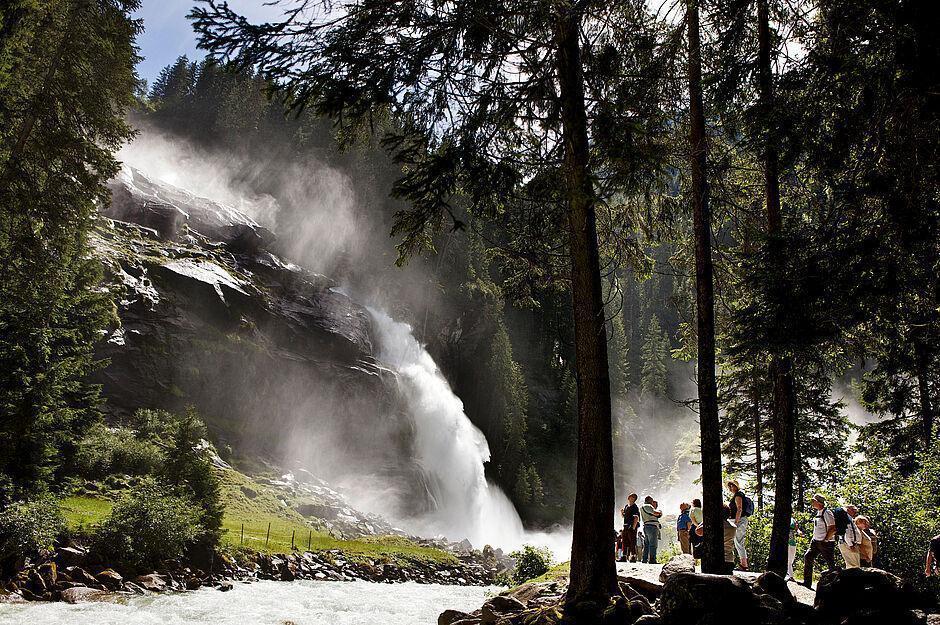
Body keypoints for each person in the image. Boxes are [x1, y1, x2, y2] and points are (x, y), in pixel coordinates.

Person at [803, 494, 837, 589]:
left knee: (830, 563)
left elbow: (833, 528)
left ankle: (835, 584)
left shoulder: (827, 512)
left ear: (818, 502)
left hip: (826, 543)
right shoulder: (819, 512)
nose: (812, 503)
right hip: (815, 542)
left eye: (813, 501)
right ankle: (807, 583)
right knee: (808, 557)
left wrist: (826, 539)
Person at [693, 504, 736, 574]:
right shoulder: (733, 527)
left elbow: (698, 531)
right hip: (728, 561)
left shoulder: (712, 525)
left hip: (713, 561)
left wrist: (707, 518)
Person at [727, 480, 751, 570]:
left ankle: (744, 565)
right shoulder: (738, 495)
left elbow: (739, 509)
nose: (730, 488)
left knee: (739, 541)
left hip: (739, 521)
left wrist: (736, 522)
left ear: (736, 486)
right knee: (737, 542)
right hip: (739, 520)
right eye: (729, 486)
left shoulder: (738, 495)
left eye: (732, 486)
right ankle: (743, 564)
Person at [640, 496, 663, 564]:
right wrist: (660, 512)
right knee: (653, 544)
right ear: (649, 500)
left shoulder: (643, 506)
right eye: (652, 501)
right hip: (652, 526)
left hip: (647, 526)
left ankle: (644, 559)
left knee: (646, 544)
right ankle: (652, 559)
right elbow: (654, 513)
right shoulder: (647, 506)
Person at [839, 504, 861, 569]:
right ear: (848, 510)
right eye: (854, 510)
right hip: (848, 544)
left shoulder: (849, 518)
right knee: (853, 566)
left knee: (854, 564)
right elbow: (847, 532)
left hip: (850, 543)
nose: (855, 512)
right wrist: (851, 545)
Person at [621, 493, 640, 563]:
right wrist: (622, 513)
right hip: (625, 526)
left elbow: (636, 517)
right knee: (624, 541)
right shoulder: (626, 506)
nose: (632, 498)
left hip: (631, 526)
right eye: (631, 497)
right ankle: (624, 556)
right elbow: (624, 517)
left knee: (632, 541)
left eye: (633, 498)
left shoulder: (635, 507)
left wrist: (633, 528)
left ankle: (633, 556)